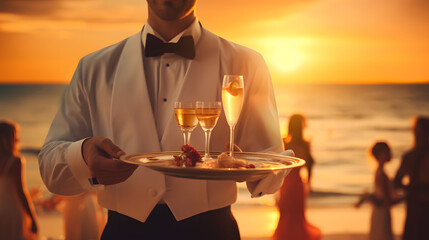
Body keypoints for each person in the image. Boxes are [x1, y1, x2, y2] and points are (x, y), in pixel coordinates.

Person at [38, 0, 288, 239]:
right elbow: (51, 169)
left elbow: (272, 167)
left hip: (213, 231)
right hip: (123, 233)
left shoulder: (247, 63)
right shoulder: (93, 68)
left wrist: (250, 168)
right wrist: (83, 156)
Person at [272, 114, 321, 240]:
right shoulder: (305, 145)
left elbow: (277, 166)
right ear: (301, 127)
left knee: (285, 215)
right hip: (298, 184)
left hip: (286, 183)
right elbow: (310, 165)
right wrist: (308, 184)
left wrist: (275, 186)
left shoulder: (284, 143)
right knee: (297, 216)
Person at [0, 120, 38, 239]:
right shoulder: (15, 161)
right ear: (8, 139)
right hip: (13, 209)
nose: (18, 141)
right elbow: (21, 192)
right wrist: (32, 217)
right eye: (15, 137)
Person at [356, 141, 401, 240]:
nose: (391, 154)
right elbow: (386, 199)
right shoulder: (381, 173)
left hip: (380, 211)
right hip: (382, 211)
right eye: (388, 151)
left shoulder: (379, 172)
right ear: (381, 155)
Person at [393, 116, 429, 240]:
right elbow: (396, 182)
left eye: (420, 132)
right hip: (415, 204)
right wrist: (412, 189)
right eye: (415, 131)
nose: (417, 135)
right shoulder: (409, 156)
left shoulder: (410, 156)